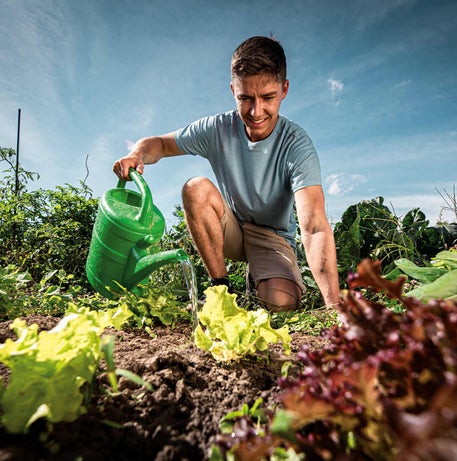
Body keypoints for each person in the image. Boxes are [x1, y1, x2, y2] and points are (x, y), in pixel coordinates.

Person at [113, 36, 339, 311]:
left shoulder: (297, 145)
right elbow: (159, 144)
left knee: (279, 302)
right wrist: (136, 154)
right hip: (230, 226)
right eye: (245, 98)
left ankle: (259, 278)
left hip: (273, 237)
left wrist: (334, 307)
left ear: (284, 89)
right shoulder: (217, 128)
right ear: (233, 91)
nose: (256, 111)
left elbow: (314, 226)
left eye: (268, 97)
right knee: (195, 188)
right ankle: (219, 288)